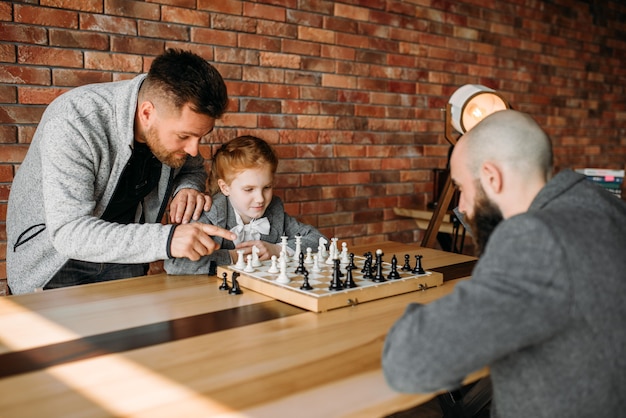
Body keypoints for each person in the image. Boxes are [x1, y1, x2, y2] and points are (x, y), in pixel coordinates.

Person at [382, 110, 626, 417]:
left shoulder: (534, 238)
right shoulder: (608, 207)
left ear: (491, 177)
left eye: (460, 187)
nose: (461, 206)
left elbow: (409, 361)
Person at [6, 49, 237, 295]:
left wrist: (187, 188)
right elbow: (69, 232)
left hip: (126, 260)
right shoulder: (74, 120)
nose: (194, 150)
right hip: (56, 263)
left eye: (201, 137)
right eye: (184, 137)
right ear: (147, 113)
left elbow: (192, 167)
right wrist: (167, 240)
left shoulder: (167, 120)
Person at [165, 135, 327, 274]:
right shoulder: (209, 213)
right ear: (225, 187)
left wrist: (278, 250)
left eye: (267, 188)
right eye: (249, 189)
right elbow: (176, 265)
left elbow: (320, 241)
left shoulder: (274, 210)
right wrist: (236, 256)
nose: (260, 199)